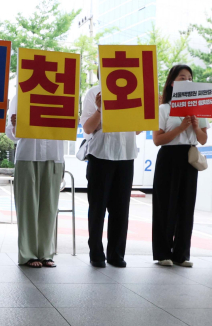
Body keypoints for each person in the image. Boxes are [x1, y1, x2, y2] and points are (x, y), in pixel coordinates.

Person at [152, 64, 209, 267]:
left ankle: (182, 254)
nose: (186, 81)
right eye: (182, 78)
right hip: (168, 156)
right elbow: (157, 140)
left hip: (189, 156)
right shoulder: (164, 108)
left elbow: (203, 139)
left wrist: (194, 126)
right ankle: (162, 253)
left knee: (186, 206)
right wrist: (180, 128)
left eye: (189, 78)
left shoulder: (199, 108)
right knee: (165, 206)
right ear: (172, 83)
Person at [80, 83, 139, 267]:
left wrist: (150, 111)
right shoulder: (93, 93)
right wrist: (99, 109)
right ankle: (96, 253)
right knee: (97, 207)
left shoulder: (135, 91)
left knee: (121, 209)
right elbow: (88, 128)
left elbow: (137, 129)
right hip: (100, 154)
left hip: (126, 154)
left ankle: (116, 254)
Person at [7, 93, 66, 268]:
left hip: (54, 156)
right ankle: (28, 254)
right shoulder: (21, 95)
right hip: (27, 155)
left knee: (49, 207)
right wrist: (15, 125)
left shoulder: (64, 93)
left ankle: (46, 253)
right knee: (27, 208)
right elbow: (11, 134)